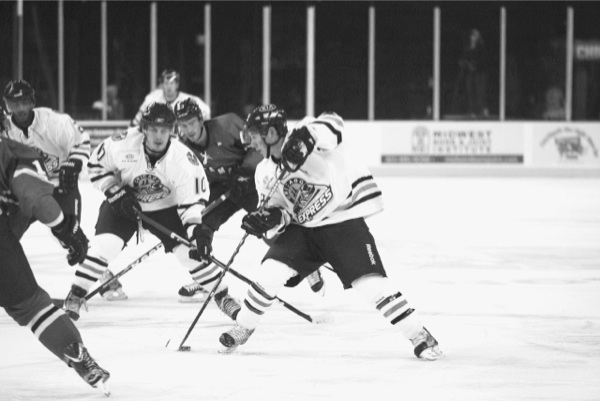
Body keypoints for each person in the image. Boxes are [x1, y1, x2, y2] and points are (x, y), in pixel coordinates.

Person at [216, 104, 443, 360]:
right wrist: (267, 220)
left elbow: (333, 124)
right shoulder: (265, 171)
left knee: (370, 285)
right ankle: (244, 327)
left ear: (270, 134)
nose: (250, 142)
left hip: (342, 222)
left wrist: (306, 138)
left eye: (254, 135)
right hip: (305, 231)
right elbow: (281, 212)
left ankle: (419, 335)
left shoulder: (308, 135)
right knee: (270, 273)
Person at [62, 102, 241, 323]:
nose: (159, 136)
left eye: (164, 130)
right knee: (105, 246)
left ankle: (222, 296)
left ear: (172, 131)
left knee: (190, 253)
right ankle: (76, 295)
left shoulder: (183, 159)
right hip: (123, 204)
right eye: (154, 130)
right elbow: (96, 166)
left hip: (166, 209)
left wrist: (197, 233)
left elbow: (192, 202)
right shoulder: (122, 144)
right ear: (144, 129)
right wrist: (115, 193)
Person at [172, 98, 326, 302]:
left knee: (268, 226)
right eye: (183, 125)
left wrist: (245, 171)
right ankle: (205, 280)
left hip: (250, 183)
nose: (188, 129)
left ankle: (303, 263)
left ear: (201, 120)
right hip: (220, 190)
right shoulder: (182, 149)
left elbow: (256, 145)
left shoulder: (227, 126)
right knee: (200, 227)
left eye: (191, 122)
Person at [0, 134, 110, 393]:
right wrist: (66, 229)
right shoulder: (11, 151)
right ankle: (76, 353)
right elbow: (35, 198)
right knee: (32, 307)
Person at [130, 69, 210, 127]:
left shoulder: (187, 100)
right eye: (166, 83)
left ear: (177, 85)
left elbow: (206, 112)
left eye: (172, 83)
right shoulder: (152, 98)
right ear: (162, 85)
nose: (169, 86)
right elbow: (136, 121)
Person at [454, 29, 489, 118]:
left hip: (479, 73)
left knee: (480, 91)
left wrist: (475, 65)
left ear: (478, 36)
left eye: (475, 35)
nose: (473, 36)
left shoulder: (481, 47)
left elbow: (483, 60)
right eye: (472, 34)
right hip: (470, 73)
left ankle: (483, 110)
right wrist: (463, 63)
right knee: (470, 91)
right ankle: (473, 111)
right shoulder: (467, 48)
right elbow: (464, 59)